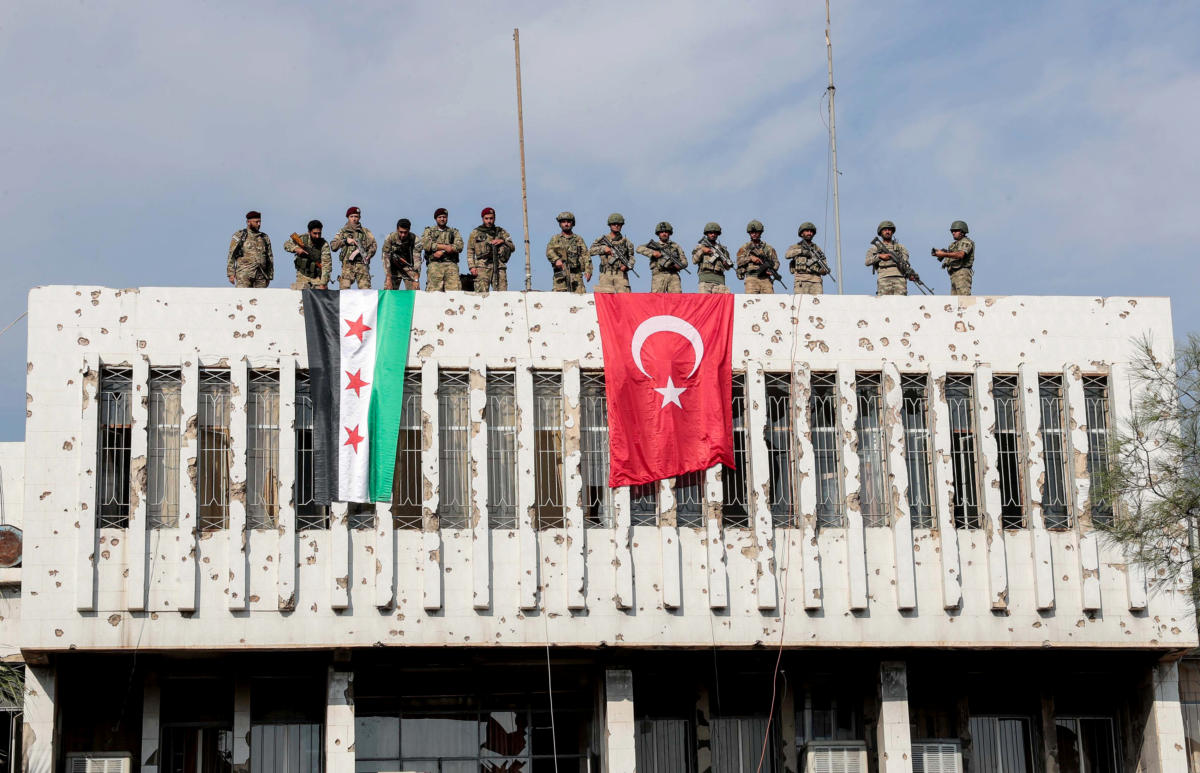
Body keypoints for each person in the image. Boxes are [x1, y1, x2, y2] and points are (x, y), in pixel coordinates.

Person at [467, 207, 516, 293]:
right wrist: (472, 267)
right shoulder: (475, 233)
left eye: (491, 218)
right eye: (486, 218)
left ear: (494, 218)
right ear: (482, 219)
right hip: (482, 267)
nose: (489, 221)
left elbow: (512, 247)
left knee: (502, 294)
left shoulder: (501, 232)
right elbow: (470, 251)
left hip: (499, 266)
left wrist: (502, 241)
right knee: (481, 294)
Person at [330, 206, 377, 289]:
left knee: (366, 291)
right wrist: (345, 241)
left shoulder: (366, 232)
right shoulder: (342, 231)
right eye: (351, 216)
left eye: (356, 216)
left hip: (362, 265)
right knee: (344, 291)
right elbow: (333, 246)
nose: (354, 219)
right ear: (348, 217)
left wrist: (368, 255)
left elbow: (373, 245)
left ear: (359, 218)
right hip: (347, 265)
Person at [420, 208, 465, 291]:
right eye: (440, 217)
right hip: (435, 264)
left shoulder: (453, 232)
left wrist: (443, 251)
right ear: (436, 218)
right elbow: (426, 244)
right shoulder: (429, 231)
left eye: (444, 217)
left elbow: (459, 246)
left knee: (454, 292)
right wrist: (445, 247)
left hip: (451, 264)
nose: (442, 219)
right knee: (434, 292)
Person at [589, 213, 636, 293]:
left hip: (621, 275)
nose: (616, 226)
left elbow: (631, 257)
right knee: (605, 300)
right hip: (605, 274)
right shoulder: (602, 240)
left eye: (619, 224)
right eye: (614, 224)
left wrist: (627, 266)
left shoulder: (627, 242)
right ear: (610, 225)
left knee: (624, 300)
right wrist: (603, 249)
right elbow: (590, 251)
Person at [636, 221, 688, 293]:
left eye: (666, 232)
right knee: (656, 299)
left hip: (673, 275)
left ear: (669, 233)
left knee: (676, 299)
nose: (664, 234)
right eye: (662, 232)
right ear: (658, 234)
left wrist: (679, 266)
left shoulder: (675, 246)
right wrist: (653, 253)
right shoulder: (655, 245)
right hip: (659, 275)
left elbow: (685, 262)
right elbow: (639, 248)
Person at [226, 210, 273, 288]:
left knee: (261, 298)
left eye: (260, 222)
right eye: (256, 222)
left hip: (261, 275)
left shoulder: (264, 237)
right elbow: (231, 255)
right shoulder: (239, 235)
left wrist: (269, 276)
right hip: (244, 274)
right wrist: (230, 274)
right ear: (248, 222)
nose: (259, 224)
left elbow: (270, 257)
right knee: (242, 297)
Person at [545, 211, 590, 293]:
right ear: (560, 224)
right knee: (560, 299)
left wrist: (588, 270)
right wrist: (556, 259)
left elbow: (586, 255)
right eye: (563, 222)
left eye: (568, 222)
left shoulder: (578, 239)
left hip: (576, 275)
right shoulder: (556, 238)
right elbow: (549, 251)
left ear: (572, 223)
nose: (566, 224)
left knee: (580, 299)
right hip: (561, 275)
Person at [865, 220, 912, 296]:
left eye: (889, 230)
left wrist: (910, 274)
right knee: (884, 304)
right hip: (884, 278)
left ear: (892, 232)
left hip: (900, 279)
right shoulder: (875, 248)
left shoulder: (900, 247)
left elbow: (905, 261)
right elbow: (867, 262)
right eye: (885, 230)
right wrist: (879, 256)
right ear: (881, 232)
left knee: (901, 304)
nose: (887, 232)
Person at [784, 222, 831, 294]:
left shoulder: (817, 249)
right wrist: (801, 251)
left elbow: (824, 263)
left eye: (811, 231)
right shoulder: (796, 246)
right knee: (800, 303)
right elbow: (787, 255)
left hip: (816, 281)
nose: (809, 233)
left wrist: (824, 270)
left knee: (817, 303)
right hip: (801, 279)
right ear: (801, 233)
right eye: (807, 231)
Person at [284, 219, 331, 290]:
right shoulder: (302, 239)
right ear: (309, 232)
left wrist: (323, 283)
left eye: (319, 233)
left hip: (317, 277)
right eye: (315, 233)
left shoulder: (324, 244)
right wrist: (296, 249)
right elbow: (286, 244)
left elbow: (326, 265)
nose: (317, 236)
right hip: (302, 275)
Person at [736, 220, 780, 294]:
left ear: (760, 232)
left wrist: (772, 269)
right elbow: (739, 261)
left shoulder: (768, 248)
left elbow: (776, 262)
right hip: (751, 278)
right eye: (752, 232)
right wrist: (750, 258)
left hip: (765, 279)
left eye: (756, 232)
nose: (754, 234)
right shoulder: (745, 248)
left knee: (770, 302)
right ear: (749, 233)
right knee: (751, 302)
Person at [933, 220, 975, 295]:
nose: (953, 233)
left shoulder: (966, 242)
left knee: (963, 299)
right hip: (954, 274)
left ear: (962, 232)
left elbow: (960, 255)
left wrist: (943, 254)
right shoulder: (954, 245)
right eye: (952, 231)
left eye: (956, 231)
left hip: (962, 273)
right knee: (954, 301)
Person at [692, 222, 733, 293]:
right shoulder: (701, 247)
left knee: (722, 303)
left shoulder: (722, 249)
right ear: (707, 233)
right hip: (705, 281)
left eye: (715, 233)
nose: (713, 234)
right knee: (705, 303)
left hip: (720, 282)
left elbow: (728, 267)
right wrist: (702, 251)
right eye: (710, 233)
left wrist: (726, 263)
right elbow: (694, 260)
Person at [382, 218, 421, 290]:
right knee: (388, 291)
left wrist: (416, 279)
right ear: (397, 229)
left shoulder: (415, 239)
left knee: (415, 292)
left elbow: (417, 260)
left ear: (409, 230)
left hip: (409, 268)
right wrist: (388, 278)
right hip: (393, 269)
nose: (403, 235)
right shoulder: (390, 238)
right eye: (401, 232)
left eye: (405, 232)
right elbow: (385, 258)